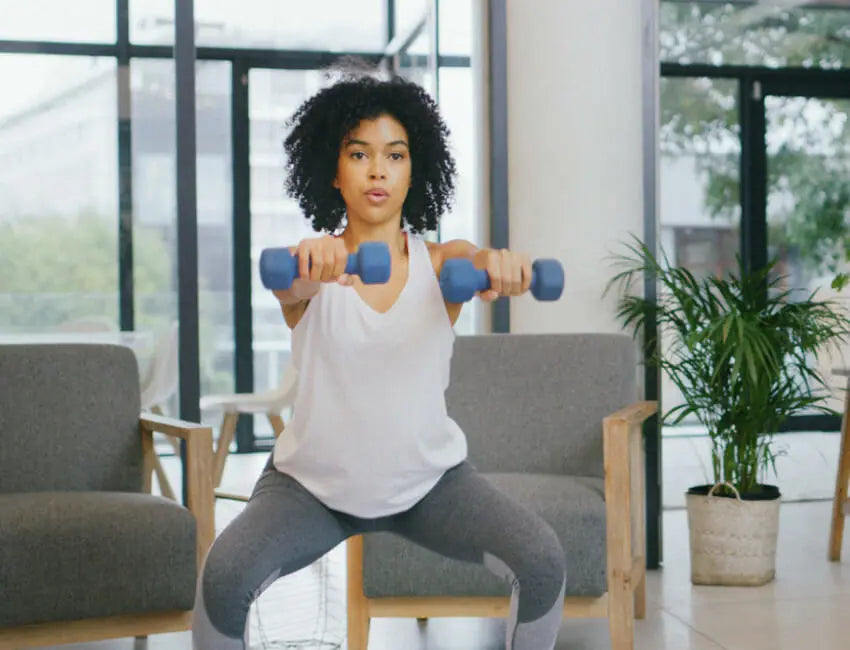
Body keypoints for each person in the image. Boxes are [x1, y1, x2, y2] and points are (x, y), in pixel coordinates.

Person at [192, 71, 566, 650]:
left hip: (429, 484)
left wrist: (502, 267)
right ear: (334, 172)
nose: (377, 170)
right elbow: (294, 287)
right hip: (310, 488)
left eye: (395, 155)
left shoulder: (444, 265)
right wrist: (314, 261)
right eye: (358, 153)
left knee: (542, 561)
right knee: (222, 578)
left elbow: (478, 259)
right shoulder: (310, 265)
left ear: (414, 170)